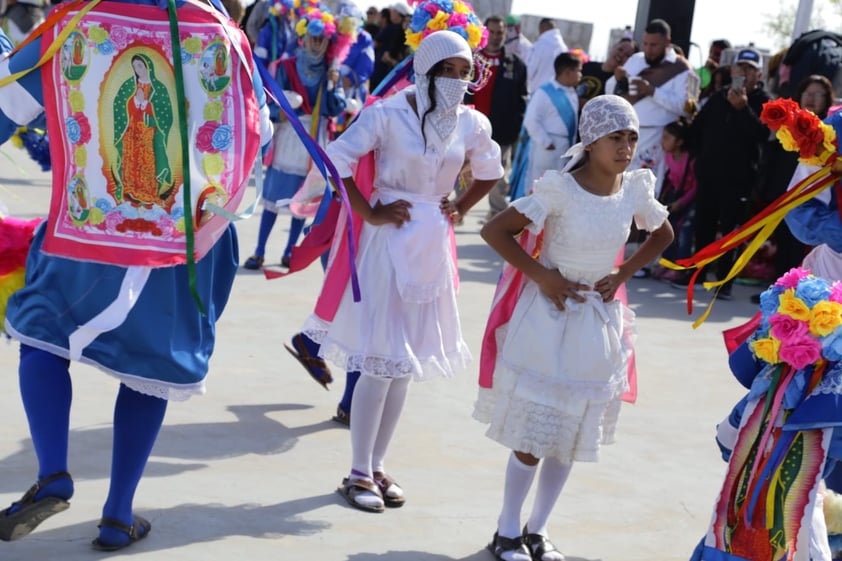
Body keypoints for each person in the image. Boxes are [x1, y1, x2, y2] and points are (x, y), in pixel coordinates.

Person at [0, 0, 271, 549]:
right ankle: (118, 514)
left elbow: (8, 106)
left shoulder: (77, 22)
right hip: (181, 241)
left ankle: (53, 471)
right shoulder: (221, 33)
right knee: (151, 367)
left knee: (41, 334)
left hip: (89, 227)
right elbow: (254, 135)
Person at [293, 29, 502, 512]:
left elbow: (489, 172)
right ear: (425, 69)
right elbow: (336, 158)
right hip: (387, 244)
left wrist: (461, 205)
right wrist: (369, 212)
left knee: (403, 365)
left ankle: (379, 464)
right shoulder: (387, 113)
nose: (455, 80)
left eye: (464, 72)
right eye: (446, 70)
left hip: (432, 244)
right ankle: (358, 470)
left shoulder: (471, 123)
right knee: (379, 362)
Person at [473, 94, 673, 561]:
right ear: (590, 140)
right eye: (614, 138)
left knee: (568, 437)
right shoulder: (561, 189)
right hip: (549, 320)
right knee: (534, 436)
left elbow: (661, 234)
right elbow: (495, 230)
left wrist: (623, 273)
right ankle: (506, 531)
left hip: (597, 324)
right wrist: (541, 275)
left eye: (631, 137)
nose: (625, 147)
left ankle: (537, 530)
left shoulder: (635, 188)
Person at [242, 7, 349, 270]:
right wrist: (286, 106)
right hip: (290, 139)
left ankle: (290, 251)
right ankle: (259, 251)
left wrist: (334, 85)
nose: (317, 44)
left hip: (315, 140)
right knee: (273, 196)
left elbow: (335, 109)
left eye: (323, 39)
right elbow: (272, 106)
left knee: (304, 198)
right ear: (303, 38)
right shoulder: (286, 67)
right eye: (314, 38)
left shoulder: (330, 71)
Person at [681, 47, 771, 299]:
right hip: (709, 175)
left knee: (732, 231)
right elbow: (697, 130)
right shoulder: (719, 96)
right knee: (704, 226)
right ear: (732, 70)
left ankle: (725, 281)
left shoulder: (764, 101)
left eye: (750, 69)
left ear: (758, 74)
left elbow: (762, 135)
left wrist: (743, 109)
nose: (744, 72)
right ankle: (698, 273)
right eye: (740, 68)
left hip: (739, 180)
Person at [605, 18, 698, 195]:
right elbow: (610, 91)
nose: (648, 50)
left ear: (667, 42)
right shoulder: (635, 59)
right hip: (625, 133)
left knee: (643, 194)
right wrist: (616, 79)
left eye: (654, 45)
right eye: (645, 44)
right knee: (616, 189)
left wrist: (652, 91)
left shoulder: (683, 69)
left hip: (656, 137)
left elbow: (688, 109)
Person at [465, 14, 527, 221]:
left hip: (501, 131)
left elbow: (521, 98)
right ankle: (458, 208)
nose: (495, 36)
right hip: (468, 127)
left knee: (499, 174)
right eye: (491, 31)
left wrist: (515, 127)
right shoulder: (469, 58)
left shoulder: (514, 63)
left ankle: (497, 212)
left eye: (499, 32)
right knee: (459, 168)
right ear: (484, 31)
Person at [516, 51, 581, 200]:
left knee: (558, 189)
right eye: (578, 71)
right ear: (567, 72)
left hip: (565, 147)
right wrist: (547, 142)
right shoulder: (544, 92)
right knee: (540, 187)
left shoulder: (571, 92)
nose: (580, 75)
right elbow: (531, 120)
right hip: (548, 147)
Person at [652, 120, 696, 282]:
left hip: (689, 200)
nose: (662, 142)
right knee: (667, 230)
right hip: (675, 198)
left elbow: (696, 187)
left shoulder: (690, 159)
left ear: (679, 142)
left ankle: (681, 268)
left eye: (667, 138)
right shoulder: (668, 156)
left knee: (684, 232)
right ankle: (666, 263)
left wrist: (681, 202)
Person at [578, 37, 637, 102]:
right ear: (613, 47)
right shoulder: (587, 66)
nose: (621, 55)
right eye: (620, 49)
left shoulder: (621, 82)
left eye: (627, 55)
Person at [525, 18, 567, 95]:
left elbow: (529, 72)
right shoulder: (563, 48)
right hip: (555, 94)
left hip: (537, 93)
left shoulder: (539, 46)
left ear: (542, 28)